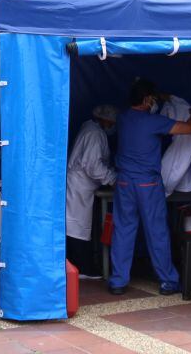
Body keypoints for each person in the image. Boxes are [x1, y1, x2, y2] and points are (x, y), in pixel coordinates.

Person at [108, 79, 191, 296]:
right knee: (156, 232)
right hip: (148, 185)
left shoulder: (123, 118)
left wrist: (160, 96)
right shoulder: (154, 121)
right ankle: (168, 281)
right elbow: (189, 129)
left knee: (123, 231)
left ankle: (118, 281)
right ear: (147, 99)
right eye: (152, 99)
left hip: (124, 183)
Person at [65, 105, 117, 279]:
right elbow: (93, 166)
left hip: (80, 184)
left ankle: (80, 265)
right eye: (111, 122)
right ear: (105, 120)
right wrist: (112, 178)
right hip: (80, 185)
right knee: (77, 227)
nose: (113, 126)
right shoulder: (94, 134)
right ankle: (81, 267)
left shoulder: (90, 127)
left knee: (78, 225)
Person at [156, 92, 191, 196]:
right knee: (174, 165)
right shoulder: (172, 105)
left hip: (187, 134)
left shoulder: (176, 105)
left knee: (174, 164)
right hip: (185, 134)